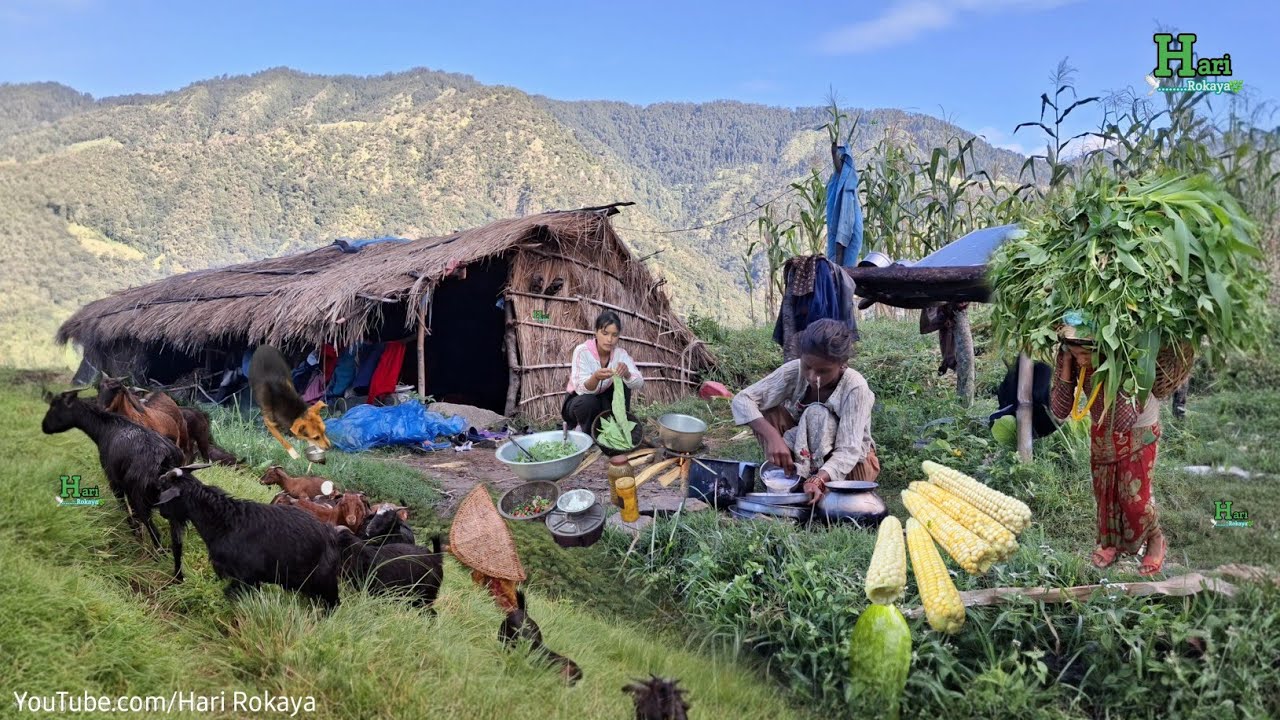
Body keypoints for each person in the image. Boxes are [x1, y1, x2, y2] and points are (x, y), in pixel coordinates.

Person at [1050, 336, 1166, 575]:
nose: (1082, 361)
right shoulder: (1071, 358)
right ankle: (1109, 543)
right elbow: (1060, 409)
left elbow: (1124, 421)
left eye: (1086, 355)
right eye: (1076, 353)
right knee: (1105, 493)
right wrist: (1067, 363)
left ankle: (1156, 539)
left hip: (1137, 426)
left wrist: (1117, 364)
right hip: (1102, 424)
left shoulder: (1123, 356)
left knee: (1134, 500)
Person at [731, 319, 879, 505]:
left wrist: (819, 478)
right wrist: (773, 438)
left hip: (852, 468)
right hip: (805, 453)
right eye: (807, 366)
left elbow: (848, 451)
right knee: (768, 410)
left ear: (842, 364)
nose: (812, 376)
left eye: (823, 371)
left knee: (818, 413)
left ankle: (813, 486)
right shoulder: (794, 372)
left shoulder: (855, 387)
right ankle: (790, 475)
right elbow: (742, 400)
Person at [561, 311, 644, 432]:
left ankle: (618, 424)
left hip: (602, 401)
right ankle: (582, 427)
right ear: (596, 332)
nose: (609, 339)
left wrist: (627, 373)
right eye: (605, 333)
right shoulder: (582, 352)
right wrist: (595, 378)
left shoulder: (620, 354)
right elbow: (580, 389)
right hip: (577, 402)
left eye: (614, 335)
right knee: (588, 401)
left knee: (625, 383)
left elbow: (639, 382)